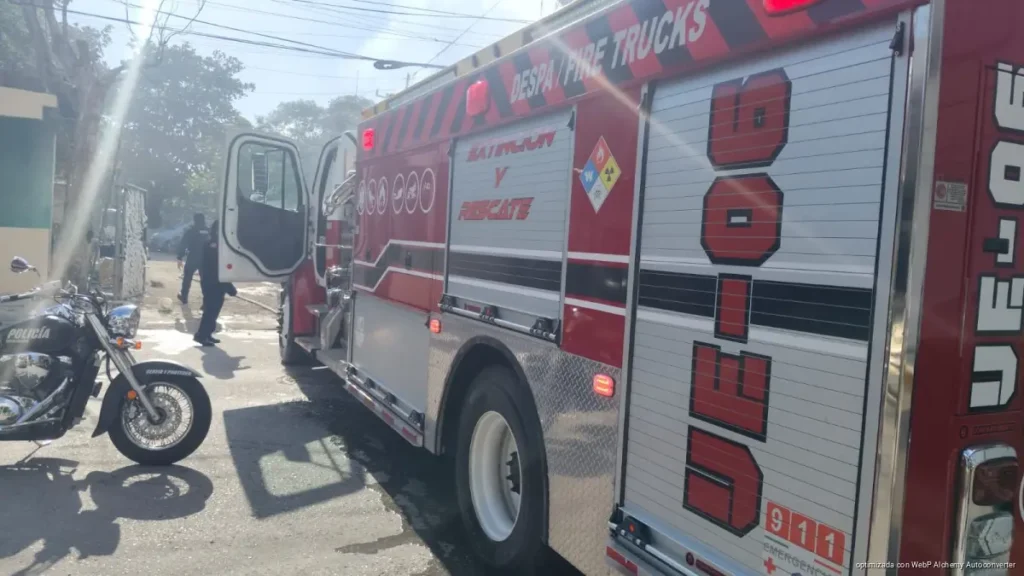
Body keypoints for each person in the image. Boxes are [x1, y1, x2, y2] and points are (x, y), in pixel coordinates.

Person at [194, 219, 237, 346]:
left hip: (216, 283)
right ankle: (201, 336)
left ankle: (207, 334)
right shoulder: (213, 244)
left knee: (214, 310)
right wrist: (229, 287)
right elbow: (217, 269)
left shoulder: (217, 243)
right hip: (213, 283)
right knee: (210, 310)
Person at [176, 213, 209, 304]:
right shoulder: (209, 231)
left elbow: (183, 244)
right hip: (205, 259)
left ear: (195, 220)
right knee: (205, 281)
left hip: (193, 257)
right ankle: (206, 301)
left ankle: (184, 297)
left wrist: (180, 257)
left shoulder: (191, 231)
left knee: (187, 278)